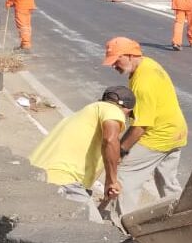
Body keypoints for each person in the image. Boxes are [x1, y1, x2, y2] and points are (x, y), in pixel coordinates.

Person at [101, 37, 188, 228]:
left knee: (123, 175)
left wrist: (121, 150)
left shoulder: (143, 82)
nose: (114, 65)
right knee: (167, 182)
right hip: (176, 132)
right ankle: (184, 220)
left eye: (117, 60)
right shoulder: (149, 64)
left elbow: (142, 126)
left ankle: (123, 226)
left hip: (158, 136)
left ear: (131, 55)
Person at [28, 86, 135, 223]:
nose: (123, 121)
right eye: (127, 116)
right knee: (96, 233)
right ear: (125, 109)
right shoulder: (112, 110)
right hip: (63, 179)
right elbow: (110, 140)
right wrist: (111, 180)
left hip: (37, 176)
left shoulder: (80, 116)